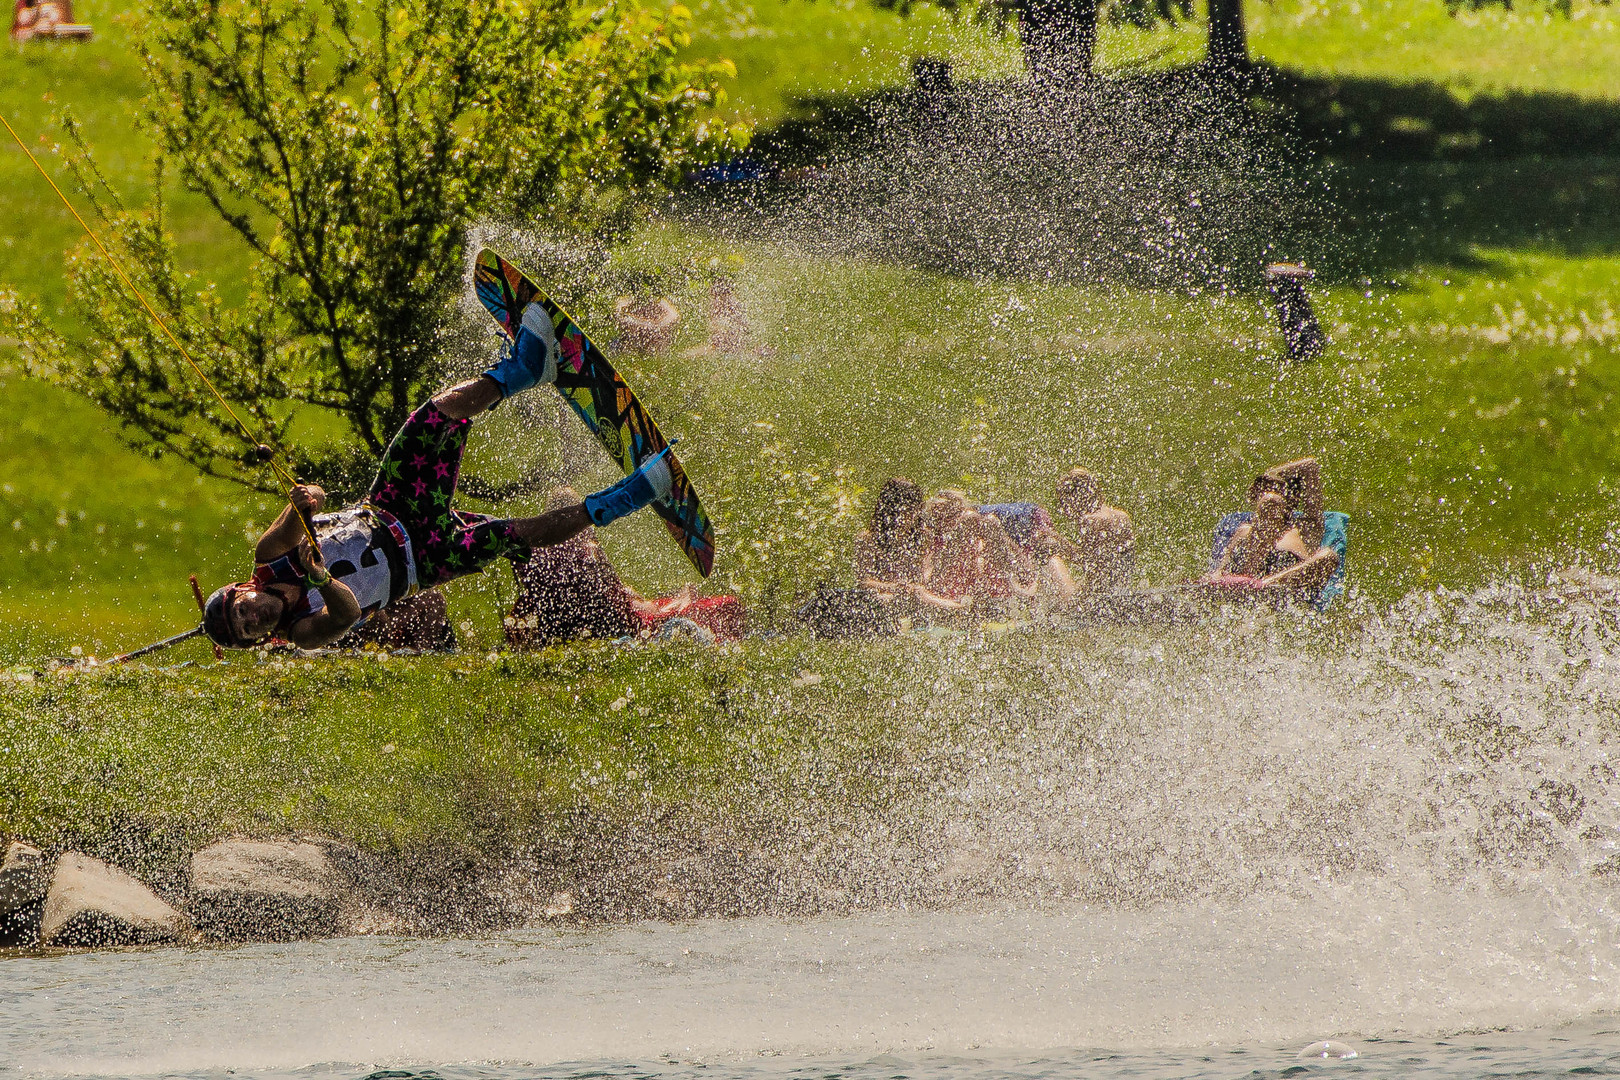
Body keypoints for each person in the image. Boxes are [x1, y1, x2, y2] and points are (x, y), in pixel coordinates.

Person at [202, 300, 678, 650]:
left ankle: (524, 369)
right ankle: (637, 492)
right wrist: (320, 578)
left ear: (241, 590)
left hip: (390, 506)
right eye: (251, 630)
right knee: (519, 534)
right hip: (424, 560)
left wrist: (304, 501)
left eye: (243, 611)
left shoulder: (269, 556)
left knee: (433, 416)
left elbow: (309, 502)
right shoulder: (302, 632)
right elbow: (345, 614)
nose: (254, 618)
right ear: (263, 639)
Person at [505, 487, 742, 648]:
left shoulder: (532, 554)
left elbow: (530, 599)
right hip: (615, 627)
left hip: (558, 631)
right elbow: (615, 598)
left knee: (666, 603)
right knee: (721, 607)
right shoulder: (587, 550)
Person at [1204, 457, 1344, 604]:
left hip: (1285, 588)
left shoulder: (1305, 529)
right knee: (1250, 529)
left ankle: (1263, 585)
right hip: (1244, 587)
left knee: (1328, 556)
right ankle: (1252, 586)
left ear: (1292, 500)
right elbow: (1222, 568)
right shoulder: (1245, 531)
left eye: (1280, 491)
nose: (1272, 494)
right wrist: (1215, 577)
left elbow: (1310, 465)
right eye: (1266, 491)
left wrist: (1272, 474)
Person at [1053, 467, 1136, 593]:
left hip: (1102, 596)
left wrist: (1062, 547)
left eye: (1064, 502)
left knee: (1054, 561)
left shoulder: (1090, 522)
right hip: (1123, 590)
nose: (1064, 510)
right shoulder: (1123, 516)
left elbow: (1093, 568)